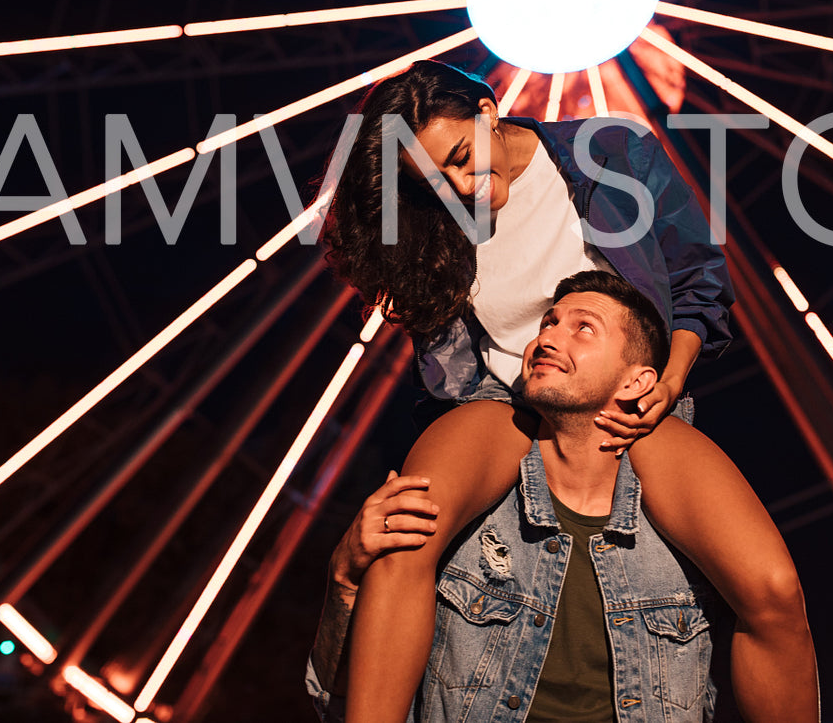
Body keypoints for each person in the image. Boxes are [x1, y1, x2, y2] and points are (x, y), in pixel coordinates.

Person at [322, 61, 818, 723]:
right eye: (436, 179)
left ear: (488, 110)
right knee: (407, 539)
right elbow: (448, 364)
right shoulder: (434, 225)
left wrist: (667, 381)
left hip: (630, 395)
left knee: (773, 590)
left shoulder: (609, 152)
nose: (460, 185)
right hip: (499, 405)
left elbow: (696, 273)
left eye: (464, 158)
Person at [307, 272, 727, 720]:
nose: (547, 338)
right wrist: (345, 582)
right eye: (547, 323)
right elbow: (337, 700)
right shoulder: (469, 504)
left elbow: (776, 614)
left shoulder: (682, 537)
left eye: (582, 328)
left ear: (637, 382)